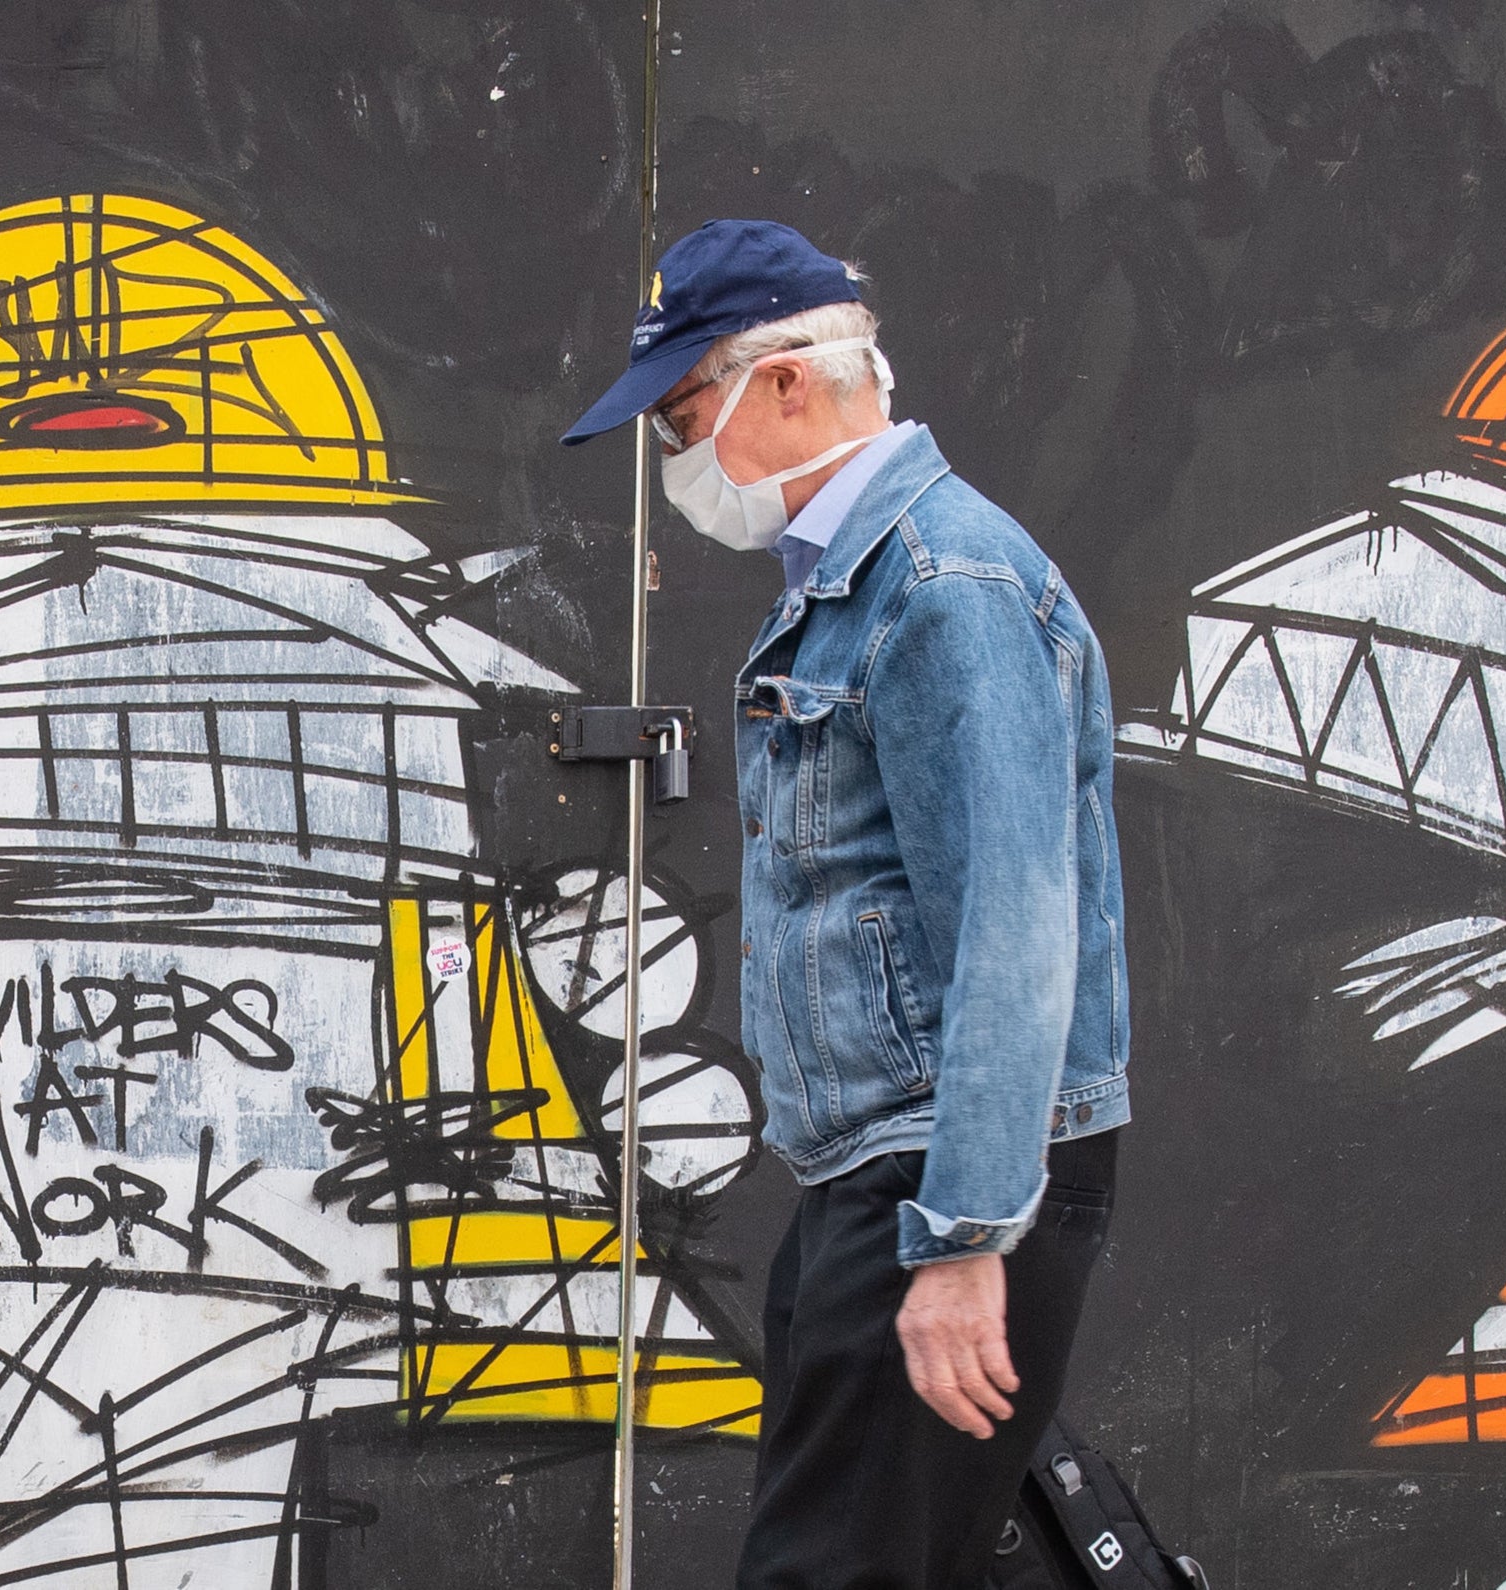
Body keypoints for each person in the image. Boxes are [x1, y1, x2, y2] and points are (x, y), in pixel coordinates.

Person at [563, 219, 1131, 1589]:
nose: (674, 460)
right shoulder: (853, 586)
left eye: (680, 415)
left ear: (790, 383)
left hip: (938, 1174)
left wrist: (963, 1239)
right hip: (878, 1173)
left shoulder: (943, 585)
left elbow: (1011, 926)